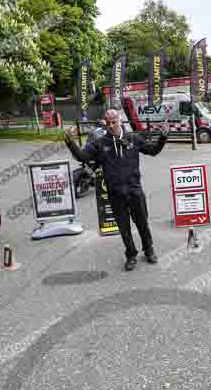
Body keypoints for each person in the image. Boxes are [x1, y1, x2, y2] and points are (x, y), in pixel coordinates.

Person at [64, 109, 170, 271]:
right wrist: (70, 142)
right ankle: (131, 254)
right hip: (115, 193)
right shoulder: (100, 143)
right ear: (105, 124)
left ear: (120, 121)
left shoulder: (133, 138)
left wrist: (163, 137)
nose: (112, 126)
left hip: (135, 190)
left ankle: (148, 250)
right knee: (123, 227)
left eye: (114, 122)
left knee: (142, 223)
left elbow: (153, 150)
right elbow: (83, 157)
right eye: (108, 123)